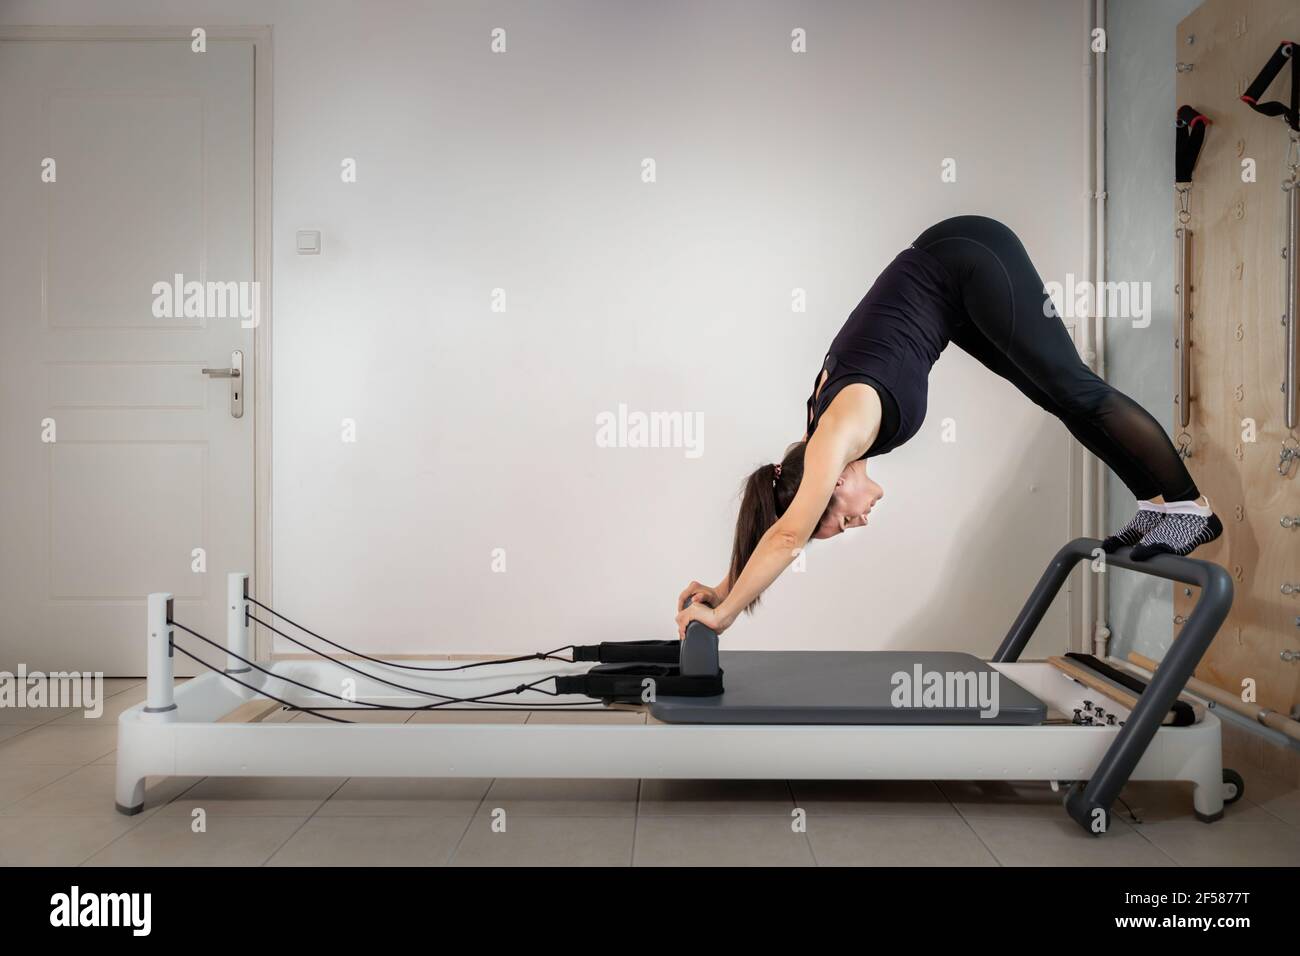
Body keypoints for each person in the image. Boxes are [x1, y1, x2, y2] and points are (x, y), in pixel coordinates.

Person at [676, 215, 1220, 638]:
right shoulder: (821, 441)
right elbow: (781, 525)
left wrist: (724, 617)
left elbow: (789, 533)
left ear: (834, 484)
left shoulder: (837, 434)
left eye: (841, 523)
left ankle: (1190, 507)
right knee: (1057, 398)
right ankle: (1157, 507)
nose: (858, 524)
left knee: (1073, 385)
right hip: (952, 288)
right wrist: (722, 590)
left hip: (964, 258)